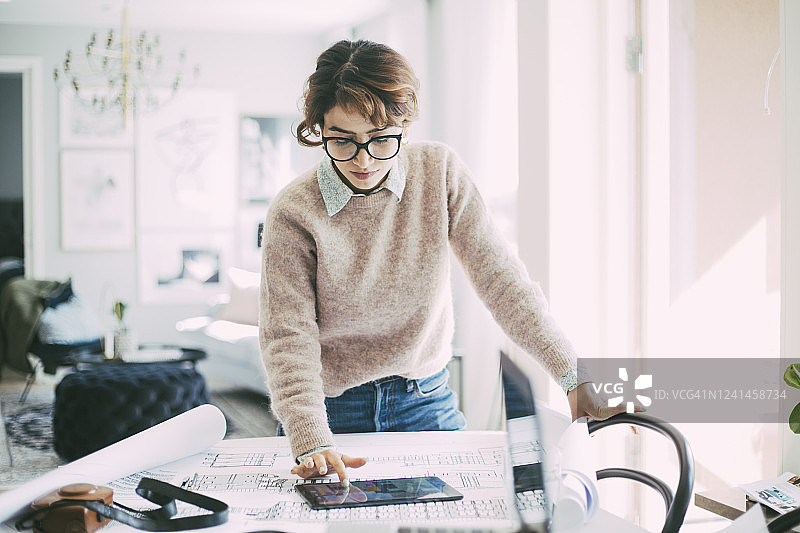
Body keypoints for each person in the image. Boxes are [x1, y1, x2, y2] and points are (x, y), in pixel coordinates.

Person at [259, 39, 626, 486]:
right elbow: (287, 335)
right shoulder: (294, 210)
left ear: (405, 127)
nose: (363, 160)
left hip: (424, 401)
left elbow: (502, 280)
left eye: (381, 139)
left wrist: (572, 374)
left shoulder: (438, 172)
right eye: (343, 141)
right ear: (319, 130)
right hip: (330, 412)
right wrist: (311, 437)